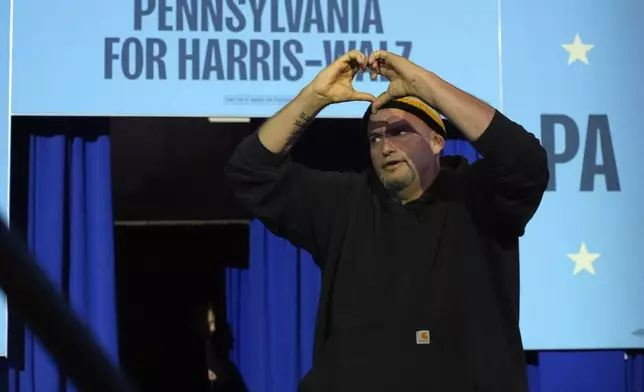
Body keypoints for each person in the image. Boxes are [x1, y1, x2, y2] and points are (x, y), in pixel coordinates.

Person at [225, 50, 549, 391]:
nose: (385, 147)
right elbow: (249, 172)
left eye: (399, 132)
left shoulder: (479, 199)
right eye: (375, 137)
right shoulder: (344, 205)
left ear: (437, 140)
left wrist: (426, 85)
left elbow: (525, 162)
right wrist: (313, 99)